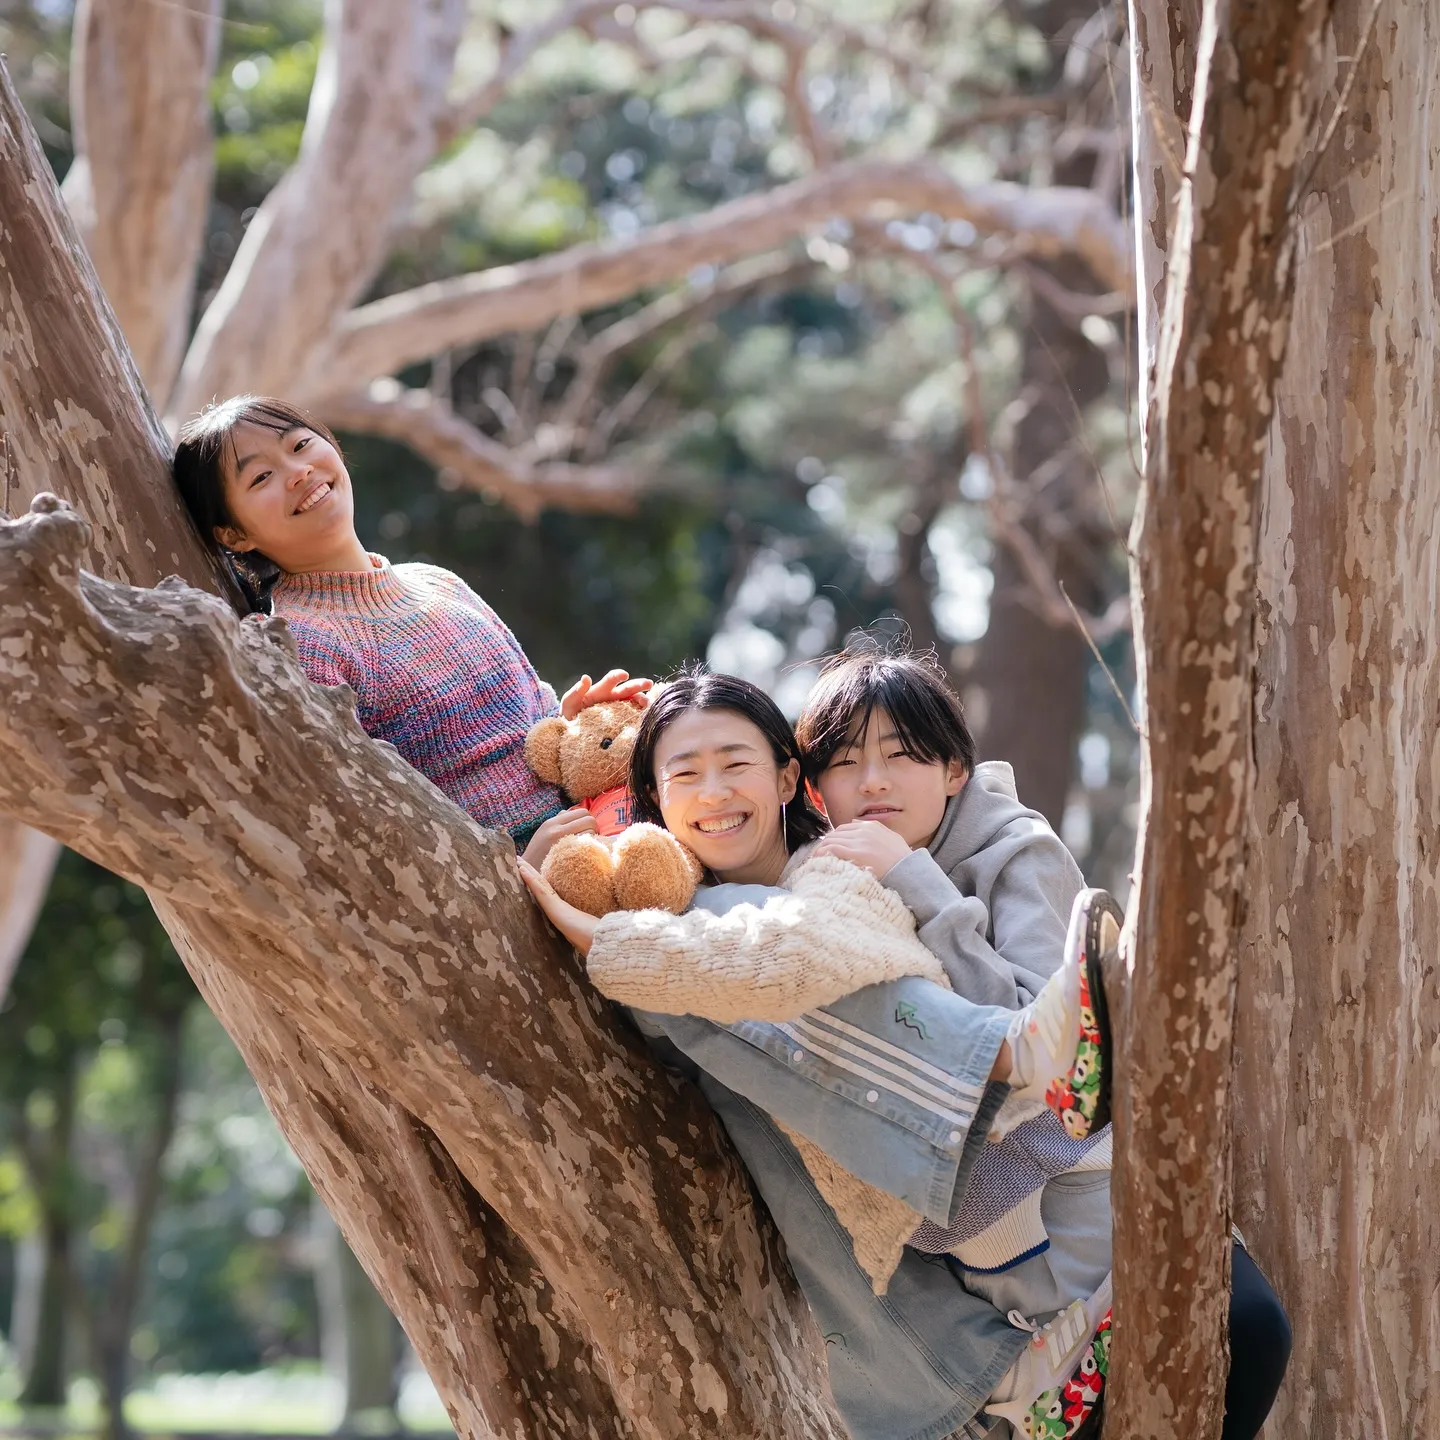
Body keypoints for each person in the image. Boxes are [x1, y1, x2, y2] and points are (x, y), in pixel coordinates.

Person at [523, 655, 1291, 1439]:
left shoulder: (870, 866)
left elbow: (789, 945)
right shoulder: (737, 893)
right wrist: (563, 809)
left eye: (901, 755)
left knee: (1254, 1327)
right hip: (952, 1233)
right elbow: (642, 832)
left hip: (1042, 1164)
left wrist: (613, 940)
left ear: (789, 781)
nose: (875, 781)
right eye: (849, 762)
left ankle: (1015, 1059)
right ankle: (1011, 1359)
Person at [171, 394, 642, 853]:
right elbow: (370, 827)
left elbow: (524, 738)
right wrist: (520, 868)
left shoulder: (436, 582)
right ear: (234, 533)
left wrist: (571, 719)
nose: (299, 473)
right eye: (262, 477)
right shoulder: (300, 645)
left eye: (299, 446)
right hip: (521, 891)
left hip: (607, 826)